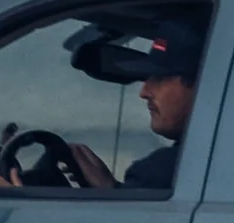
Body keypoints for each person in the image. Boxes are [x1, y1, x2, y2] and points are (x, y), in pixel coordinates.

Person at [51, 14, 202, 191]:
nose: (143, 92)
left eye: (160, 78)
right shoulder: (218, 162)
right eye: (146, 78)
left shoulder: (164, 172)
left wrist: (20, 194)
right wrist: (111, 189)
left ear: (201, 85)